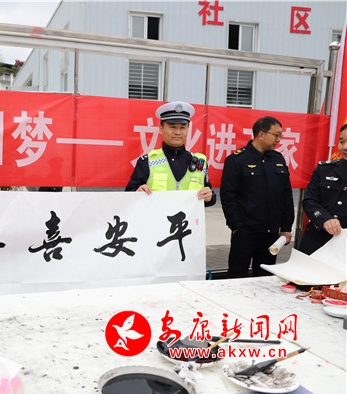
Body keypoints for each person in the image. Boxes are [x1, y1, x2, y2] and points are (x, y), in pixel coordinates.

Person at [220, 116, 294, 278]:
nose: (279, 140)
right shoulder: (237, 160)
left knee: (265, 278)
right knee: (237, 277)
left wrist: (286, 228)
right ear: (261, 134)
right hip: (245, 233)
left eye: (280, 135)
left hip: (271, 234)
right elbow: (228, 196)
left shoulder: (278, 159)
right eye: (276, 135)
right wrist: (236, 226)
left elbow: (286, 196)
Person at [125, 100, 216, 206]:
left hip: (188, 217)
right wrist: (137, 194)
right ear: (161, 129)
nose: (177, 132)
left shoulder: (200, 161)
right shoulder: (147, 161)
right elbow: (128, 196)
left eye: (182, 127)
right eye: (172, 127)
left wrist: (209, 197)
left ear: (188, 129)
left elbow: (207, 194)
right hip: (157, 216)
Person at [299, 123, 347, 254]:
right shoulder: (324, 170)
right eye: (341, 141)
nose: (344, 147)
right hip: (318, 242)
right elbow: (310, 201)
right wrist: (325, 219)